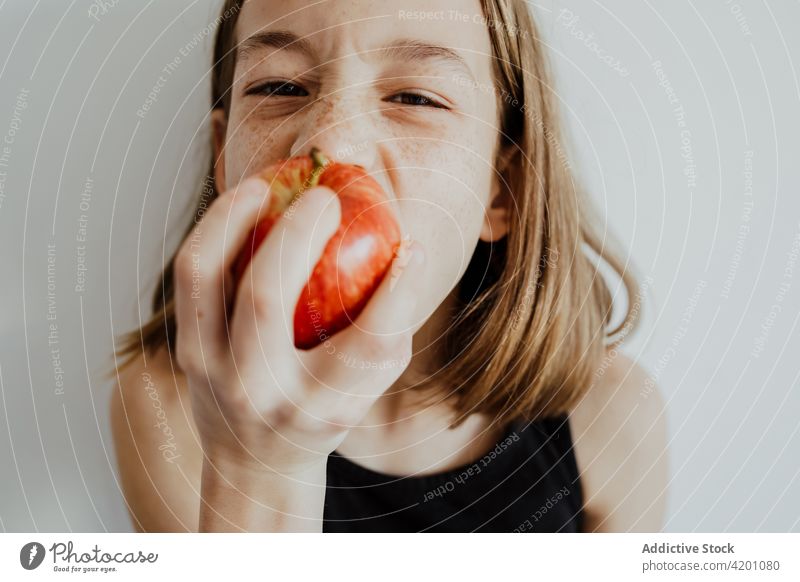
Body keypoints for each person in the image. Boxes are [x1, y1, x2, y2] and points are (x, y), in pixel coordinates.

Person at [110, 0, 668, 532]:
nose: (330, 142)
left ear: (503, 190)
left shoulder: (613, 419)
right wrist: (256, 468)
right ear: (224, 161)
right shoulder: (168, 417)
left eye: (415, 98)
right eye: (280, 86)